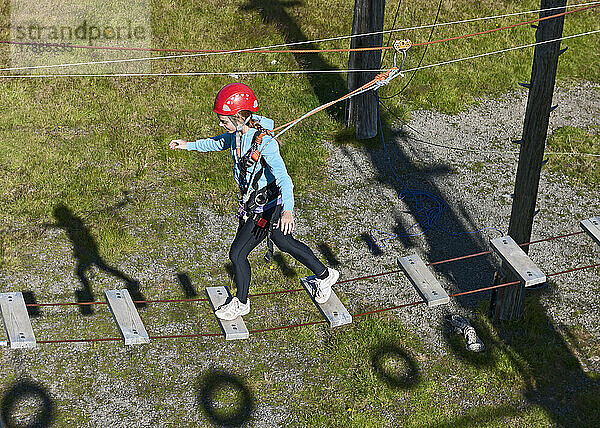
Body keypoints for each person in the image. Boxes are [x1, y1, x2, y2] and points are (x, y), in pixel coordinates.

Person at [169, 83, 339, 320]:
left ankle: (241, 303)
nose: (221, 124)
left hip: (268, 207)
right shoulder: (237, 135)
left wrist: (287, 211)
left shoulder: (264, 143)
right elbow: (218, 142)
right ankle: (325, 275)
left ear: (240, 117)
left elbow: (284, 179)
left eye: (224, 120)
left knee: (237, 254)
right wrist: (188, 145)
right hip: (257, 203)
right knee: (283, 241)